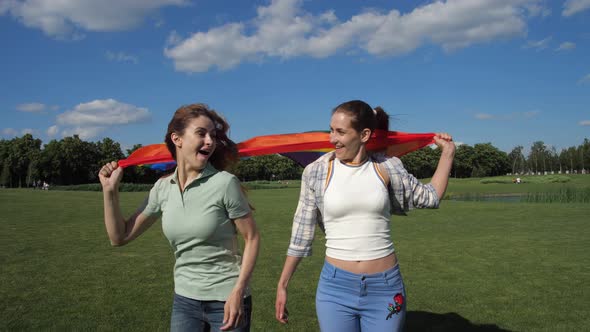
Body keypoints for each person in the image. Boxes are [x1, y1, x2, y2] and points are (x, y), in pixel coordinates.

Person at [275, 100, 455, 331]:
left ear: (364, 134)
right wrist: (282, 284)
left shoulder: (388, 167)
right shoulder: (317, 171)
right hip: (335, 288)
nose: (332, 139)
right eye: (331, 130)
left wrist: (448, 154)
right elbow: (301, 233)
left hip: (385, 287)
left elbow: (430, 197)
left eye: (340, 132)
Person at [99, 103, 260, 332]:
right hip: (184, 301)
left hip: (226, 299)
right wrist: (109, 191)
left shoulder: (225, 183)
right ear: (177, 139)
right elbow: (119, 237)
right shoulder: (162, 188)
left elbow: (252, 238)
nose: (209, 141)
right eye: (201, 133)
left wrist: (238, 292)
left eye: (212, 135)